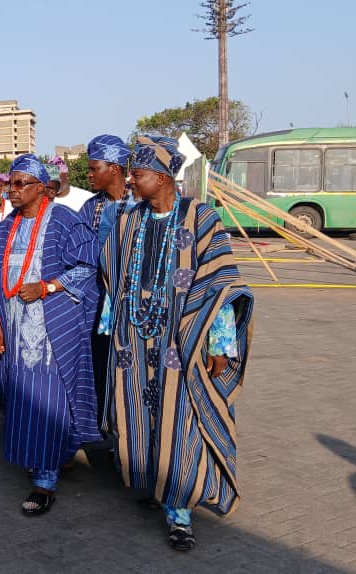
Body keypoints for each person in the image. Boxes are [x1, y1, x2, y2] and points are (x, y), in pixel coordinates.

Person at [100, 136, 253, 551]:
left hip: (182, 342)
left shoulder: (201, 218)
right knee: (138, 416)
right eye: (131, 173)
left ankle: (180, 513)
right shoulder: (129, 220)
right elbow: (113, 275)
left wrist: (220, 344)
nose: (130, 181)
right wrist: (110, 328)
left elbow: (219, 284)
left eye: (139, 174)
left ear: (165, 178)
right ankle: (154, 486)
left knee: (180, 421)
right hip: (133, 342)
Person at [0, 154, 101, 516]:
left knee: (49, 400)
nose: (12, 190)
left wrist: (49, 287)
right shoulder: (6, 227)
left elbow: (88, 267)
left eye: (21, 184)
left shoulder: (66, 221)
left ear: (42, 188)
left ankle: (45, 482)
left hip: (53, 330)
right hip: (16, 330)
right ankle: (56, 455)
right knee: (23, 399)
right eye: (10, 183)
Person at [81, 134, 134, 438]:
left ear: (114, 169)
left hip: (133, 305)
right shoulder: (90, 208)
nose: (89, 175)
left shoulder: (140, 204)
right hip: (96, 304)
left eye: (94, 169)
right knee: (99, 367)